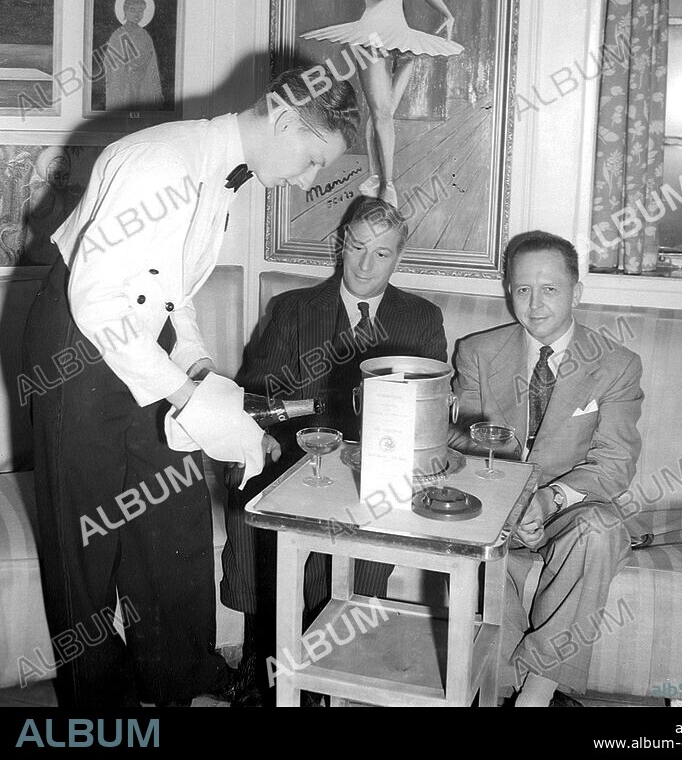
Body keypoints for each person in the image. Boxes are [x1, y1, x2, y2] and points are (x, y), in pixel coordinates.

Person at [21, 68, 359, 708]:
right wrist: (186, 398)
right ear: (285, 120)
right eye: (314, 159)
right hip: (77, 347)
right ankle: (100, 705)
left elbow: (174, 293)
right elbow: (98, 304)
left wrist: (200, 371)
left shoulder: (218, 171)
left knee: (171, 512)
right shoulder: (161, 163)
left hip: (140, 340)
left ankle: (178, 677)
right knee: (86, 538)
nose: (308, 180)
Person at [221, 196, 447, 703]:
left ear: (399, 257)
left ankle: (335, 664)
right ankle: (265, 662)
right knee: (257, 496)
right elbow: (258, 393)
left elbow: (428, 412)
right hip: (294, 452)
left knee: (369, 516)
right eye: (358, 247)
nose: (366, 265)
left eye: (382, 253)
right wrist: (269, 438)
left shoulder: (421, 318)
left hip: (377, 462)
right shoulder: (294, 309)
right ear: (341, 245)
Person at [449, 230, 643, 707]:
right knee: (475, 553)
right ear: (508, 291)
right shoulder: (476, 353)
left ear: (577, 292)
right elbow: (464, 444)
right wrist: (511, 502)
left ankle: (536, 692)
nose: (535, 304)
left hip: (569, 509)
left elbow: (614, 462)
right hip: (495, 505)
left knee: (601, 530)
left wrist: (548, 499)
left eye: (550, 289)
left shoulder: (617, 364)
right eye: (523, 289)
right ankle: (500, 690)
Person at [302, 0, 463, 207]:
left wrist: (447, 13)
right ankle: (388, 185)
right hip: (372, 37)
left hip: (400, 36)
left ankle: (376, 176)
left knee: (383, 113)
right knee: (382, 113)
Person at [104, 0, 164, 112]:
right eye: (132, 10)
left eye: (140, 10)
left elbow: (152, 65)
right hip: (125, 85)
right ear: (125, 11)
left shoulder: (145, 36)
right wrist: (129, 69)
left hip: (143, 85)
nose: (137, 14)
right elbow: (111, 63)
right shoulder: (118, 35)